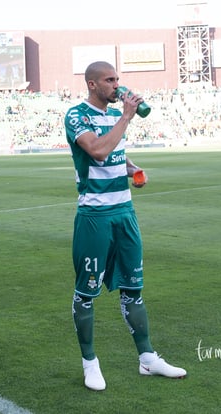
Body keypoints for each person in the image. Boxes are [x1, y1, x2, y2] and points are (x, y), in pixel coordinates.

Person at [64, 61, 187, 391]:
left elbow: (116, 154)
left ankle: (148, 359)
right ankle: (90, 363)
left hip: (124, 213)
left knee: (134, 288)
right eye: (109, 80)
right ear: (92, 84)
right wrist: (127, 117)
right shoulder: (77, 115)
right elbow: (99, 152)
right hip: (95, 217)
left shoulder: (112, 117)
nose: (117, 84)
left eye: (117, 78)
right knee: (86, 292)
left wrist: (133, 169)